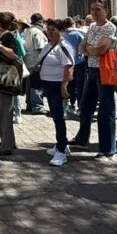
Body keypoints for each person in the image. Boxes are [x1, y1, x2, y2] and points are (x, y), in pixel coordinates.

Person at [70, 0, 117, 160]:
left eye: (98, 9)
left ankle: (107, 149)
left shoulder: (110, 27)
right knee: (85, 105)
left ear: (106, 11)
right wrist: (92, 50)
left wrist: (90, 49)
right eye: (92, 9)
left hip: (105, 71)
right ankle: (82, 139)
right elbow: (81, 47)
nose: (94, 12)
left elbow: (102, 49)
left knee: (106, 110)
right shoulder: (91, 26)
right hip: (91, 69)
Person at [0, 12, 23, 156]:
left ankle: (6, 147)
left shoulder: (7, 37)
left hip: (3, 83)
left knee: (3, 113)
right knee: (0, 112)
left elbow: (14, 54)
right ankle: (8, 141)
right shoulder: (2, 37)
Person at [38, 20, 74, 166]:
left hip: (57, 85)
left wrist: (64, 85)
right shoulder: (49, 45)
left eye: (53, 30)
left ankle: (61, 150)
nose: (50, 32)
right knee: (54, 115)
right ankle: (62, 144)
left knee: (59, 117)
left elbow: (69, 67)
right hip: (48, 84)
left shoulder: (64, 47)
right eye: (48, 29)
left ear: (61, 31)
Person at [22, 13, 48, 114]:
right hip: (35, 61)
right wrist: (41, 62)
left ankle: (29, 104)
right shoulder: (37, 32)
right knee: (36, 84)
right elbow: (41, 48)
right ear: (40, 21)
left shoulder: (27, 30)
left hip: (28, 61)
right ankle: (37, 106)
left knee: (29, 84)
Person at [62, 17, 86, 117]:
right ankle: (80, 106)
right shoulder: (78, 34)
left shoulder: (63, 35)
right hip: (79, 61)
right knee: (80, 85)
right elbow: (84, 46)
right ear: (73, 24)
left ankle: (68, 105)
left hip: (67, 62)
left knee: (69, 83)